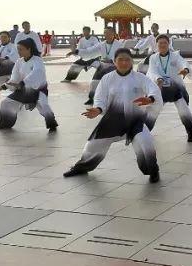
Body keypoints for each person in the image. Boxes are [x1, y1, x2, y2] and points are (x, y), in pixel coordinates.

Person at [62, 48, 160, 182]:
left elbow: (153, 89)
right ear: (114, 61)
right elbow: (100, 98)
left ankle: (153, 171)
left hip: (135, 121)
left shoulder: (140, 78)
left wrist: (150, 99)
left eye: (127, 60)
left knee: (146, 142)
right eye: (120, 59)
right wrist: (97, 109)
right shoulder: (107, 78)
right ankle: (81, 168)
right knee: (92, 146)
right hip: (112, 121)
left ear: (132, 61)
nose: (124, 62)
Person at [0, 38, 58, 132]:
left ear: (29, 49)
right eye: (18, 49)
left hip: (38, 90)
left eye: (21, 49)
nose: (19, 51)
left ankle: (52, 124)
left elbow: (37, 73)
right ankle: (5, 124)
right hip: (23, 89)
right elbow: (14, 78)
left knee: (43, 106)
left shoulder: (37, 60)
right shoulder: (19, 62)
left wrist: (23, 83)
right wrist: (3, 87)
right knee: (6, 102)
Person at [146, 34, 192, 142]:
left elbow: (183, 63)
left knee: (184, 111)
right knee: (153, 111)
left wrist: (185, 70)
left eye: (165, 43)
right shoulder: (153, 58)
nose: (163, 45)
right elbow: (152, 71)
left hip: (176, 89)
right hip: (160, 89)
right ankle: (144, 133)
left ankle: (191, 132)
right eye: (160, 43)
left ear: (168, 44)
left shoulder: (175, 56)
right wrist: (158, 78)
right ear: (157, 44)